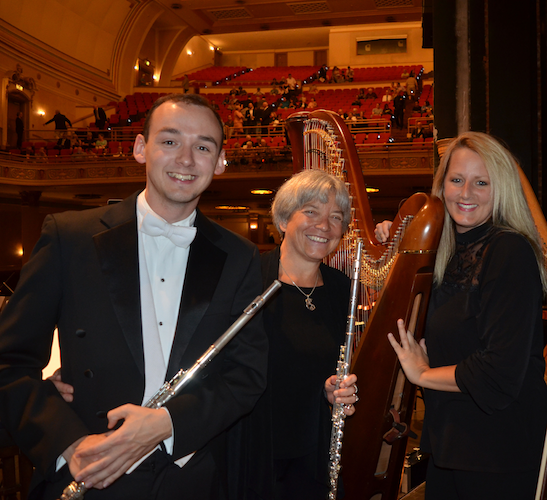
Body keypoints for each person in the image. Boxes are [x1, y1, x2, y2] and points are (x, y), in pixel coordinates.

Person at [0, 93, 268, 500]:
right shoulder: (69, 237)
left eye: (203, 146)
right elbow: (10, 361)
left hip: (191, 481)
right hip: (89, 468)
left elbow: (247, 375)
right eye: (170, 141)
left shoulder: (240, 256)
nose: (185, 159)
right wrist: (69, 444)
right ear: (141, 148)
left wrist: (167, 423)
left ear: (220, 162)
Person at [376, 131, 547, 500]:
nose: (465, 193)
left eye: (481, 182)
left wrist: (421, 374)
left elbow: (499, 372)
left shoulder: (509, 251)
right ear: (443, 185)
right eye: (456, 179)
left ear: (500, 189)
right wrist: (397, 247)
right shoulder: (446, 253)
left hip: (497, 451)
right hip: (450, 444)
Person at [230, 170, 359, 500]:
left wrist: (333, 391)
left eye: (336, 217)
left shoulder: (344, 288)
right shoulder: (248, 281)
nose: (324, 226)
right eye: (311, 212)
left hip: (316, 453)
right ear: (285, 219)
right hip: (257, 455)